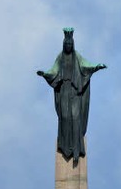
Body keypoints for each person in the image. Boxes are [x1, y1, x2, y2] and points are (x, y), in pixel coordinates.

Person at [37, 28, 106, 164]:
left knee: (75, 117)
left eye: (70, 44)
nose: (68, 46)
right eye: (66, 44)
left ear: (72, 45)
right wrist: (45, 74)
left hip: (75, 91)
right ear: (64, 45)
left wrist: (97, 67)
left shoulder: (77, 56)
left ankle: (76, 149)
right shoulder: (60, 57)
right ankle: (65, 146)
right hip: (64, 90)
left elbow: (86, 65)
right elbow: (54, 70)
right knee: (65, 116)